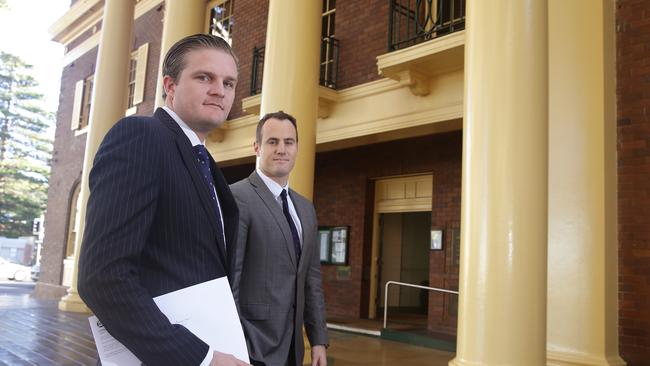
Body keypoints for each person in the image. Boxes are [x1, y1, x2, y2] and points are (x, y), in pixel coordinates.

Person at [77, 34, 249, 366]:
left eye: (228, 82)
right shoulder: (140, 137)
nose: (220, 90)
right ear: (170, 86)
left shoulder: (205, 163)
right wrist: (201, 358)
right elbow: (102, 278)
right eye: (204, 77)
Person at [230, 111, 328, 366]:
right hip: (250, 347)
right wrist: (235, 342)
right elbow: (231, 278)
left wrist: (318, 340)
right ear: (257, 147)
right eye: (273, 142)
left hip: (292, 348)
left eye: (289, 142)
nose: (281, 149)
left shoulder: (305, 208)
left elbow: (311, 279)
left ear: (297, 148)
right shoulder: (237, 197)